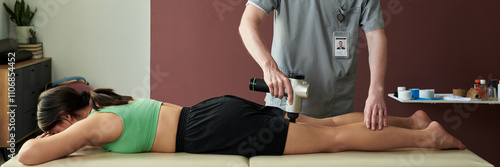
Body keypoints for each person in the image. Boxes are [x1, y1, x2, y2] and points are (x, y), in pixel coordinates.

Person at [18, 87, 465, 165]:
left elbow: (29, 156)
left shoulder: (94, 125)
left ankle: (428, 137)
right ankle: (412, 119)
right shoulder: (106, 109)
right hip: (214, 114)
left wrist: (43, 141)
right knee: (325, 123)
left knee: (329, 141)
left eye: (53, 129)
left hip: (215, 131)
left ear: (61, 121)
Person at [239, 0, 389, 130]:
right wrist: (269, 67)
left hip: (336, 104)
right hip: (287, 101)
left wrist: (377, 91)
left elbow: (375, 35)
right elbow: (247, 23)